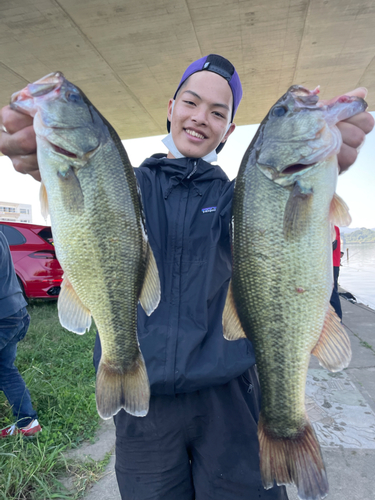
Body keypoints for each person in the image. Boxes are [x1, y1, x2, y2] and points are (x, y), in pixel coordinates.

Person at [0, 55, 373, 499]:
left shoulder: (244, 196)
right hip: (146, 403)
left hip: (232, 400)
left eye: (218, 112)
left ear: (230, 131)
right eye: (192, 103)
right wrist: (48, 162)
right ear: (172, 107)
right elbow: (89, 202)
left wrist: (319, 168)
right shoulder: (125, 183)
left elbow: (280, 227)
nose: (201, 118)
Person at [0, 232, 41, 437]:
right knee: (5, 369)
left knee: (5, 370)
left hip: (3, 318)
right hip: (16, 312)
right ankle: (28, 423)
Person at [330, 225, 343, 320]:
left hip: (331, 265)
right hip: (332, 264)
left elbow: (333, 245)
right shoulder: (333, 227)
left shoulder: (331, 227)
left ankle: (338, 320)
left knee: (332, 293)